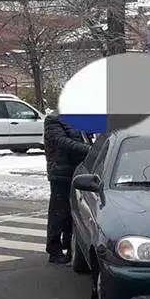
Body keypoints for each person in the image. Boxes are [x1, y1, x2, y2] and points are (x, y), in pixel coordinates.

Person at [44, 113, 90, 264]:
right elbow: (62, 142)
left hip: (78, 172)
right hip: (61, 172)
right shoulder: (54, 120)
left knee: (74, 212)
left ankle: (71, 247)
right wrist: (88, 149)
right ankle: (54, 249)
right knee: (59, 212)